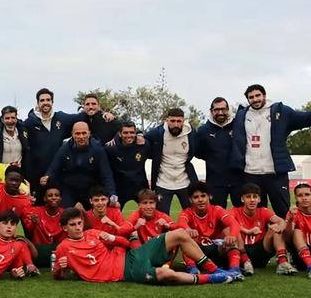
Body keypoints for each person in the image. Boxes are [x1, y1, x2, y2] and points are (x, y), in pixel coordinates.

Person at [230, 84, 311, 217]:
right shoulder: (241, 115)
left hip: (275, 173)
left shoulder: (281, 111)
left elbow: (306, 118)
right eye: (251, 97)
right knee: (255, 214)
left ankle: (287, 238)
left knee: (283, 211)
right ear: (248, 100)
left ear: (264, 95)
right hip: (250, 172)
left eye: (257, 95)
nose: (255, 99)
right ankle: (260, 238)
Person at [52, 208, 234, 285]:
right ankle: (212, 279)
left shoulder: (92, 234)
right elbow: (58, 275)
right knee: (166, 274)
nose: (77, 227)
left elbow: (124, 244)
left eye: (79, 223)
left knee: (179, 234)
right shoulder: (64, 247)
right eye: (73, 225)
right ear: (64, 227)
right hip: (127, 272)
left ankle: (216, 270)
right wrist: (59, 269)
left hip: (133, 256)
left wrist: (113, 237)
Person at [176, 182, 244, 280]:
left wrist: (232, 236)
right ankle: (192, 269)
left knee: (230, 232)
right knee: (184, 237)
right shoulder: (187, 212)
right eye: (196, 197)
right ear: (190, 200)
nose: (200, 200)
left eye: (203, 196)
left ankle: (235, 270)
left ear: (209, 197)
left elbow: (234, 223)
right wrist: (188, 229)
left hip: (216, 250)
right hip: (198, 254)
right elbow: (181, 222)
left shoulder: (217, 210)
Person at [42, 122, 116, 209]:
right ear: (72, 134)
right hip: (69, 187)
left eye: (84, 133)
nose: (81, 137)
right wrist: (47, 176)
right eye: (77, 133)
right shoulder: (64, 149)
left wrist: (112, 194)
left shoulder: (98, 150)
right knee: (66, 213)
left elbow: (106, 173)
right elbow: (54, 167)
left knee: (94, 215)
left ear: (89, 133)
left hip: (90, 187)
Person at [24, 88, 81, 197]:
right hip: (37, 176)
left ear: (52, 102)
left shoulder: (61, 118)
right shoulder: (29, 123)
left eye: (48, 100)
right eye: (42, 100)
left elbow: (82, 117)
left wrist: (103, 113)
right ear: (38, 103)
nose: (45, 102)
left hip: (58, 174)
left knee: (59, 209)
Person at [230, 183, 295, 276]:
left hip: (260, 250)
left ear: (259, 199)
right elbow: (229, 224)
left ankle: (282, 263)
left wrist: (279, 228)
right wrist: (247, 231)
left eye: (255, 197)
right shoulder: (234, 211)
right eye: (248, 197)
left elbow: (281, 221)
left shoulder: (263, 211)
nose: (252, 200)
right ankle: (245, 262)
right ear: (242, 199)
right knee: (232, 230)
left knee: (275, 228)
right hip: (241, 250)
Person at [145, 108, 198, 215]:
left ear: (183, 121)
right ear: (167, 120)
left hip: (185, 181)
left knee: (193, 215)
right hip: (163, 182)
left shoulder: (191, 133)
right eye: (172, 121)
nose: (175, 125)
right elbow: (141, 137)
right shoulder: (157, 133)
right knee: (162, 218)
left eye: (179, 121)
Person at [196, 97, 242, 208]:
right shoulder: (203, 130)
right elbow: (198, 152)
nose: (220, 112)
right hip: (215, 181)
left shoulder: (239, 125)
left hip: (239, 179)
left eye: (223, 109)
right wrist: (214, 159)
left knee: (242, 214)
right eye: (216, 110)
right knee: (216, 215)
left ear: (228, 109)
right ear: (211, 111)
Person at [104, 122, 150, 210]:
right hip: (120, 188)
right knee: (115, 216)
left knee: (148, 213)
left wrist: (141, 135)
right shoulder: (110, 149)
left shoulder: (144, 145)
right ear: (120, 134)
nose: (129, 135)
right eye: (125, 133)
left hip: (140, 187)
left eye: (132, 132)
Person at [21, 184, 65, 267]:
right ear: (45, 199)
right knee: (21, 240)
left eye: (57, 195)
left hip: (58, 251)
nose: (54, 198)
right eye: (50, 195)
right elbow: (28, 230)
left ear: (61, 198)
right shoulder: (36, 211)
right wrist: (33, 222)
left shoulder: (65, 214)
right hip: (39, 250)